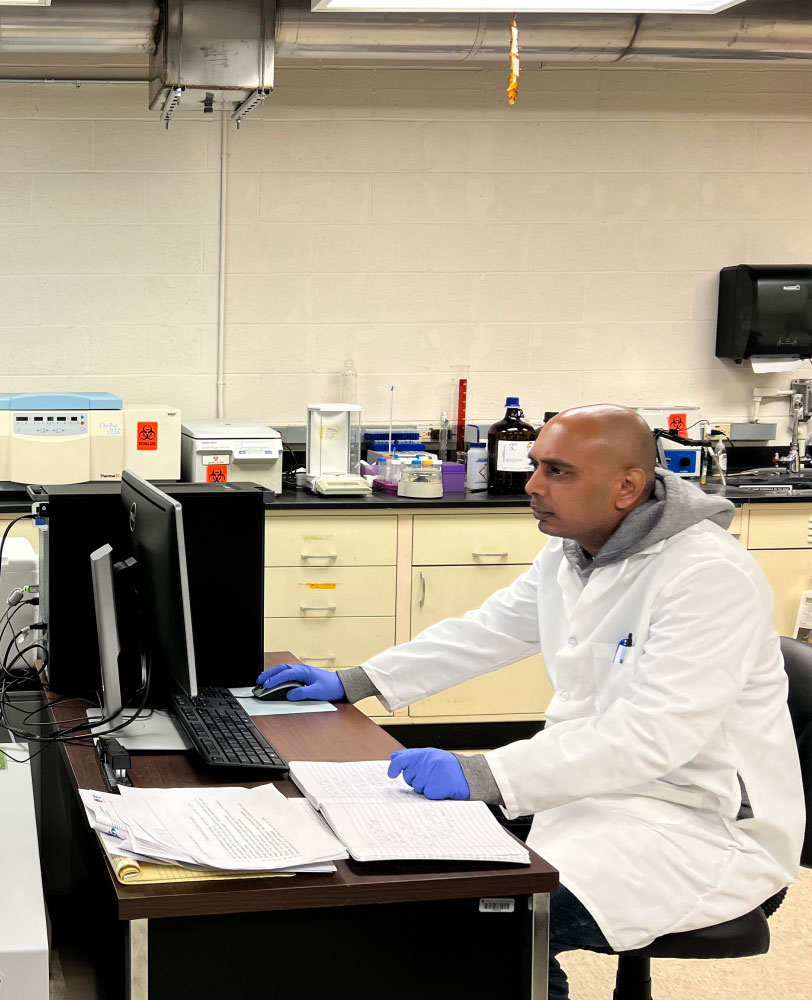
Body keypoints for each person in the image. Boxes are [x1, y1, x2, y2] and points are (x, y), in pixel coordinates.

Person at [258, 404, 804, 999]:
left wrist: (484, 771)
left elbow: (654, 736)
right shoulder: (577, 549)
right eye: (538, 465)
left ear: (627, 486)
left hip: (695, 824)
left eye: (559, 472)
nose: (533, 485)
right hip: (590, 790)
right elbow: (487, 631)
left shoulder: (706, 576)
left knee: (495, 927)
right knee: (396, 867)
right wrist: (358, 680)